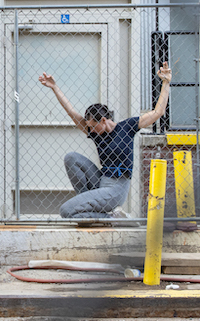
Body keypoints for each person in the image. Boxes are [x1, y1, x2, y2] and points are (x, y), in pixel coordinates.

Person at [38, 61, 171, 219]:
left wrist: (166, 82)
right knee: (71, 158)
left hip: (116, 188)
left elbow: (158, 112)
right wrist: (54, 87)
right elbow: (71, 111)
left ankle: (113, 218)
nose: (91, 130)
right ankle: (91, 204)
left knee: (66, 212)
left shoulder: (126, 127)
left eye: (93, 126)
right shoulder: (95, 133)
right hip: (101, 180)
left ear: (103, 120)